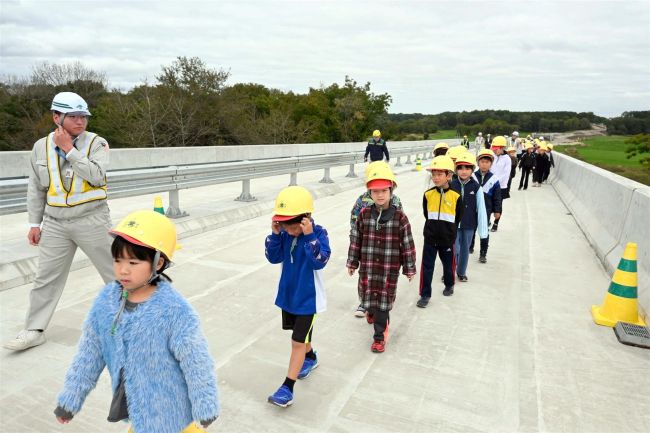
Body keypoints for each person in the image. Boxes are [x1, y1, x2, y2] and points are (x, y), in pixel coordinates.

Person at [54, 210, 220, 433]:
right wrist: (70, 400)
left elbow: (196, 362)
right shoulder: (106, 302)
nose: (123, 269)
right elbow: (89, 353)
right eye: (117, 260)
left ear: (158, 262)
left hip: (173, 416)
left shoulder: (174, 310)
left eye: (133, 262)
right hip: (138, 414)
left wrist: (205, 405)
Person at [4, 92, 114, 351]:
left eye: (83, 116)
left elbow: (97, 177)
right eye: (73, 116)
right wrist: (34, 223)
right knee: (45, 278)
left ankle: (137, 323)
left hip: (92, 219)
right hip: (55, 223)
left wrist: (69, 150)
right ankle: (34, 329)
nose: (80, 121)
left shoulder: (97, 143)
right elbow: (35, 187)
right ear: (57, 117)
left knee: (116, 273)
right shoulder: (39, 147)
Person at [265, 186, 331, 407]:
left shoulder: (319, 234)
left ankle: (287, 388)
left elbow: (319, 260)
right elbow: (273, 258)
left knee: (296, 342)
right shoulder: (283, 234)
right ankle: (310, 358)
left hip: (308, 300)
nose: (288, 230)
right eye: (283, 225)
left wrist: (309, 235)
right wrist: (276, 234)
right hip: (288, 296)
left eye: (292, 226)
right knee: (301, 338)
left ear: (306, 219)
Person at [347, 164, 416, 353]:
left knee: (383, 302)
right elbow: (356, 240)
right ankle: (370, 310)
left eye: (384, 190)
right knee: (367, 294)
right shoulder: (364, 215)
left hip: (388, 269)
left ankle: (379, 337)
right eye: (375, 191)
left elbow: (407, 244)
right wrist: (352, 262)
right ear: (369, 192)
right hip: (368, 267)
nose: (380, 195)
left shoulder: (400, 217)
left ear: (391, 189)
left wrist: (409, 268)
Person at [349, 161, 403, 317]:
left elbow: (401, 227)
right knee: (366, 277)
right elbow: (354, 222)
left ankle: (380, 309)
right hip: (368, 247)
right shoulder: (362, 201)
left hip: (387, 249)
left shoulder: (395, 202)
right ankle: (366, 304)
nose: (380, 194)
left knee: (384, 280)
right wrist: (355, 247)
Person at [417, 156, 463, 306]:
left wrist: (449, 232)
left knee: (448, 266)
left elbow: (458, 217)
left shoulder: (456, 196)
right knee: (427, 267)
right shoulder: (428, 195)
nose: (435, 178)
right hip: (430, 238)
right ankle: (425, 295)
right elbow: (426, 214)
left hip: (447, 239)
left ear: (448, 175)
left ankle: (449, 285)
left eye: (439, 174)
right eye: (433, 174)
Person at [450, 154, 488, 282]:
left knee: (465, 250)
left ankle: (461, 272)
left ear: (472, 170)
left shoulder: (476, 187)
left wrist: (483, 231)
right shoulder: (451, 185)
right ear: (456, 170)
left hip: (469, 224)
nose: (464, 171)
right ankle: (449, 271)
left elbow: (481, 209)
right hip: (452, 224)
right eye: (461, 168)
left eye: (467, 168)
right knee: (453, 249)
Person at [472, 149, 502, 263]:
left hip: (486, 210)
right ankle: (470, 245)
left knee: (484, 230)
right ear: (478, 162)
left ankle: (483, 253)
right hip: (472, 209)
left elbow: (497, 197)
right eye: (482, 161)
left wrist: (497, 210)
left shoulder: (494, 179)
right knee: (471, 228)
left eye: (487, 162)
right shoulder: (472, 176)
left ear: (491, 163)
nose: (484, 164)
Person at [488, 136, 511, 232]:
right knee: (488, 203)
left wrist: (495, 182)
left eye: (496, 149)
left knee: (498, 205)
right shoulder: (492, 156)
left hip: (501, 187)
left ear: (502, 148)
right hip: (489, 185)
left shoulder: (507, 159)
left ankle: (496, 223)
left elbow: (506, 174)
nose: (494, 151)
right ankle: (487, 220)